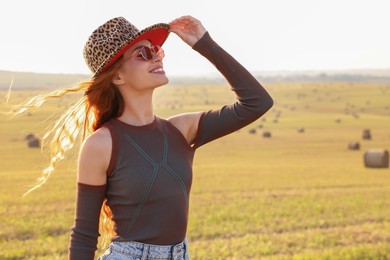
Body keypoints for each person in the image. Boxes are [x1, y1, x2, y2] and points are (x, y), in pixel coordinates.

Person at [20, 15, 273, 259]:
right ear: (117, 76)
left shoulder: (181, 130)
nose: (156, 57)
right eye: (143, 53)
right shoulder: (101, 144)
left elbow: (257, 102)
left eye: (156, 50)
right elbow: (84, 233)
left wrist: (204, 43)